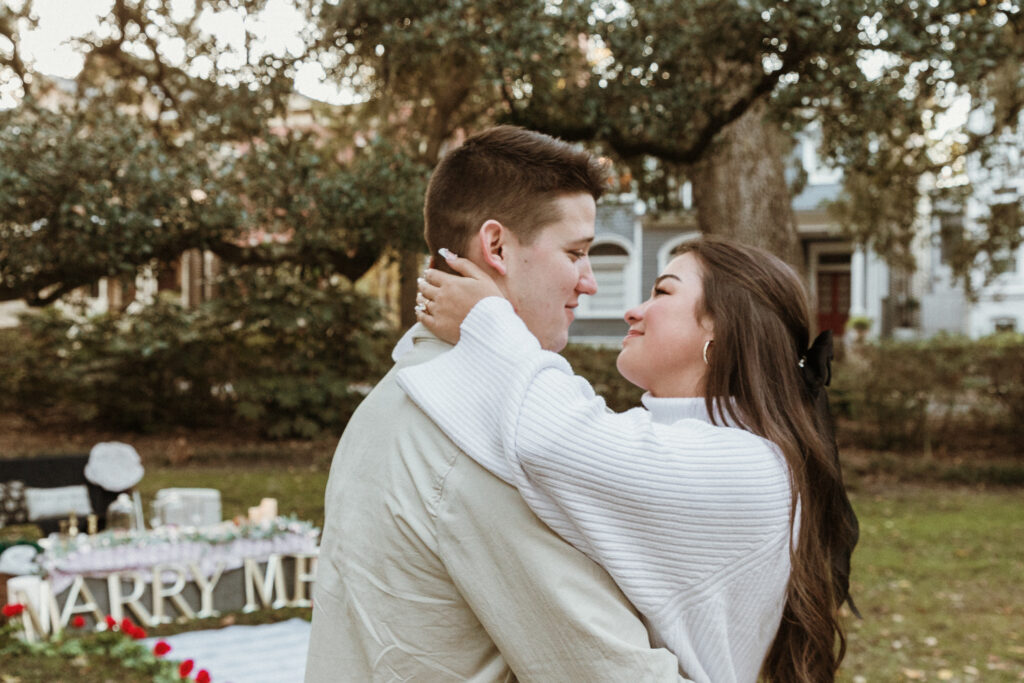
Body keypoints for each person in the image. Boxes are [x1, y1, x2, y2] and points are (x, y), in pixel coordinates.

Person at [305, 126, 683, 682]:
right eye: (576, 253)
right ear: (498, 246)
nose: (590, 283)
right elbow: (611, 671)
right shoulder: (484, 435)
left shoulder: (398, 389)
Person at [401, 236, 860, 682]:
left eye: (662, 291)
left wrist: (488, 319)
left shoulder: (751, 467)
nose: (633, 310)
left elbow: (551, 438)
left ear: (721, 328)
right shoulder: (695, 443)